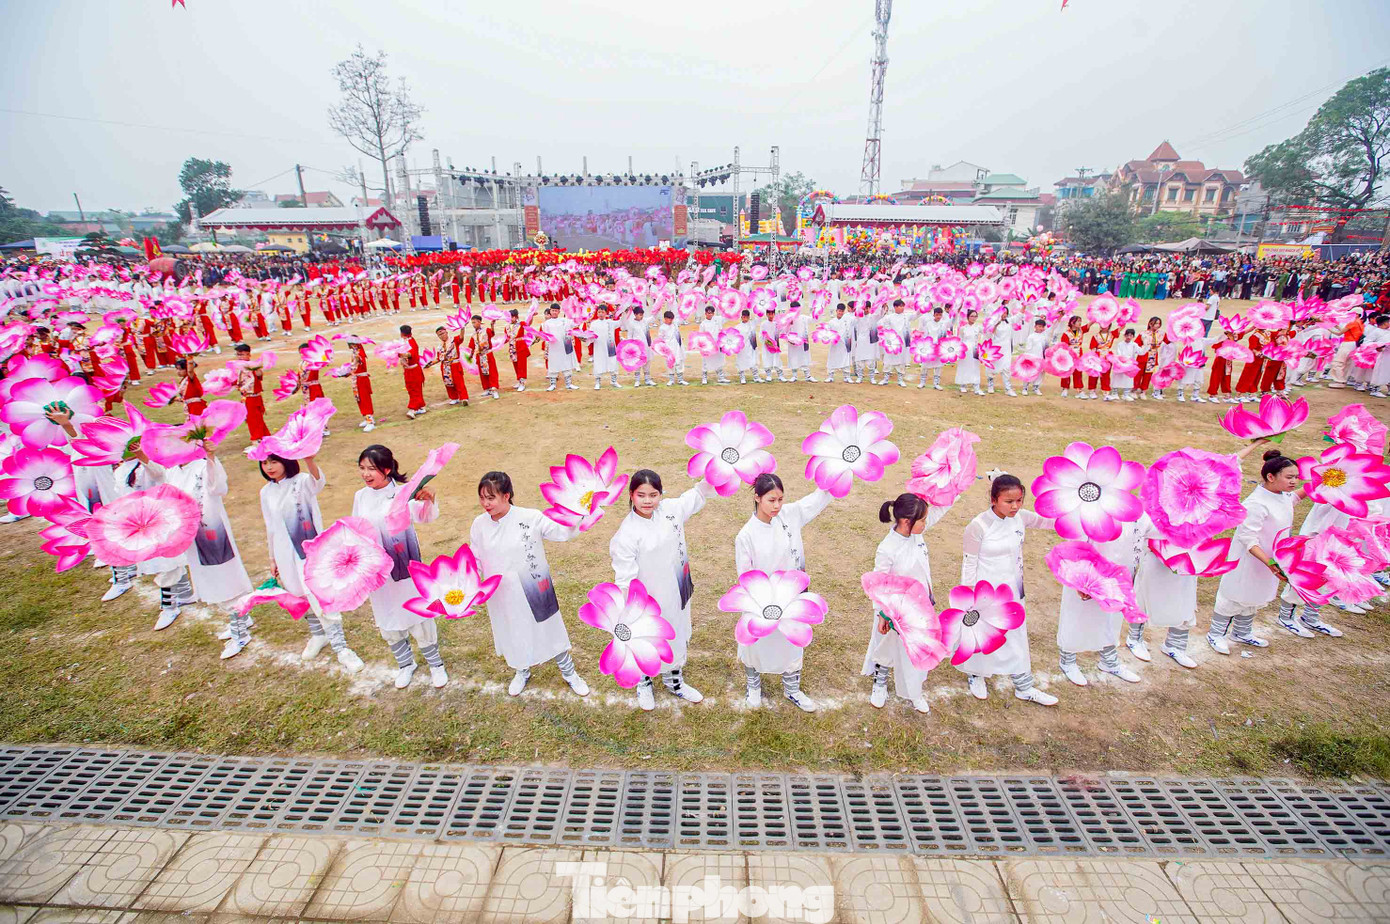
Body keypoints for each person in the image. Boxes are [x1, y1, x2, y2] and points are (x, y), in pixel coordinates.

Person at [469, 471, 590, 697]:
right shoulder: (479, 525)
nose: (486, 503)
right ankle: (521, 670)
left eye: (491, 498)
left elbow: (561, 532)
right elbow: (474, 557)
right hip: (501, 592)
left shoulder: (530, 517)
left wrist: (581, 513)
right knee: (512, 630)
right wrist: (471, 583)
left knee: (550, 628)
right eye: (482, 497)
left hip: (534, 587)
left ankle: (569, 672)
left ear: (507, 496)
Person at [609, 469, 719, 710]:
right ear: (631, 495)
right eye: (641, 495)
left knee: (676, 633)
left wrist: (719, 469)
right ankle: (644, 681)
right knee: (646, 640)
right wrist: (628, 610)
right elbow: (625, 577)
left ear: (661, 494)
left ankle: (675, 681)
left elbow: (699, 493)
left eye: (653, 494)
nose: (648, 501)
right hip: (648, 600)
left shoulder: (671, 510)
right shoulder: (627, 533)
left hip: (676, 591)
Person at [734, 473, 834, 712]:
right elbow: (745, 576)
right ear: (757, 498)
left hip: (792, 597)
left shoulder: (790, 515)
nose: (777, 505)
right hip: (762, 602)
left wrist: (837, 473)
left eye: (780, 499)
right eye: (771, 500)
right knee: (756, 644)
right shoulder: (746, 535)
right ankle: (754, 686)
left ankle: (792, 689)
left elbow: (818, 498)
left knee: (792, 642)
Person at [955, 474, 1058, 706]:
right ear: (993, 499)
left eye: (1019, 500)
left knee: (1016, 636)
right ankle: (977, 674)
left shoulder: (1021, 518)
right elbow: (969, 563)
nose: (1015, 506)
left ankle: (1024, 686)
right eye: (1008, 502)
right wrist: (969, 597)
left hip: (1013, 590)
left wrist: (1075, 515)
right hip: (986, 594)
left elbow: (1049, 522)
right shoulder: (978, 526)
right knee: (984, 635)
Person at [257, 452, 365, 671]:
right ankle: (318, 635)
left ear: (286, 461)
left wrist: (309, 460)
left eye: (274, 461)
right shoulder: (265, 492)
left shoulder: (302, 482)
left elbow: (318, 482)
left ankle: (341, 648)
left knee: (320, 597)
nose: (269, 467)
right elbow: (270, 527)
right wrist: (272, 557)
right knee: (299, 594)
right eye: (265, 463)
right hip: (283, 553)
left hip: (310, 552)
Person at [351, 445, 447, 689]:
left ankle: (436, 665)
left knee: (419, 614)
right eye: (362, 468)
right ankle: (406, 664)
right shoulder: (360, 496)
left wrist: (428, 499)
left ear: (386, 469)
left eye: (371, 469)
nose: (365, 474)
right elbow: (356, 529)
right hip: (378, 571)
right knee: (388, 617)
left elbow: (425, 517)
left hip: (406, 568)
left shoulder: (405, 493)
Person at [1208, 450, 1307, 653]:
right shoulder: (1256, 504)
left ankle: (1242, 632)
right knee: (1233, 596)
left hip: (1270, 559)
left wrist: (1325, 482)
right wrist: (1269, 562)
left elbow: (1293, 499)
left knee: (1256, 595)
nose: (1294, 482)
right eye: (1289, 477)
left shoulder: (1281, 495)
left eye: (1296, 477)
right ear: (1271, 477)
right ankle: (1216, 634)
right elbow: (1248, 538)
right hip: (1251, 559)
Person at [863, 492, 954, 713]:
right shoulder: (888, 548)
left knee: (918, 648)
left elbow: (939, 511)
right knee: (886, 647)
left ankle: (915, 690)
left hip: (920, 608)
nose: (926, 523)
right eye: (922, 520)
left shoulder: (917, 533)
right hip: (895, 612)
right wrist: (883, 615)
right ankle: (880, 682)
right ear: (906, 521)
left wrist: (954, 489)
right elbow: (879, 583)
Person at [165, 447, 254, 659]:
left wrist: (212, 458)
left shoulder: (203, 467)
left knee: (226, 579)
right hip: (192, 536)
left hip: (213, 532)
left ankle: (240, 633)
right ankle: (242, 619)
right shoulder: (172, 472)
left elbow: (219, 488)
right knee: (209, 580)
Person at [113, 451, 193, 630]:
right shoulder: (120, 470)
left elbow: (158, 474)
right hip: (139, 523)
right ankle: (185, 592)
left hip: (158, 519)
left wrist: (141, 455)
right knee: (157, 561)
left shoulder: (146, 466)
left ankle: (169, 607)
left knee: (165, 563)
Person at [541, 304, 578, 391]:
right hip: (553, 347)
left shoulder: (564, 321)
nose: (554, 312)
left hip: (564, 346)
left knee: (566, 363)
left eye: (556, 310)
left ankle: (569, 383)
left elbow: (575, 324)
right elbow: (545, 336)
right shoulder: (546, 323)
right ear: (550, 311)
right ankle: (553, 384)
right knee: (553, 364)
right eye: (552, 310)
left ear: (559, 311)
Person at [466, 315, 501, 399]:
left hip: (487, 354)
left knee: (492, 371)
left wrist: (492, 325)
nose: (473, 324)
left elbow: (492, 333)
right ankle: (487, 388)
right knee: (483, 373)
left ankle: (494, 389)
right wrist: (470, 355)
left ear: (479, 322)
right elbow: (472, 346)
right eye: (472, 323)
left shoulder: (486, 330)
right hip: (480, 355)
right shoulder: (474, 334)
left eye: (474, 322)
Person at [589, 305, 623, 389]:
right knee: (599, 363)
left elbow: (621, 322)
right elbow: (590, 336)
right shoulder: (593, 324)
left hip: (610, 347)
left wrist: (625, 311)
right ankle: (597, 382)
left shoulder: (610, 322)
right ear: (597, 313)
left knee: (612, 362)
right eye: (599, 312)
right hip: (599, 347)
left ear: (606, 313)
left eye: (602, 312)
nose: (601, 314)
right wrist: (585, 338)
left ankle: (614, 381)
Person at [434, 326, 469, 406]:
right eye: (439, 335)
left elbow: (461, 337)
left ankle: (464, 398)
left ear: (446, 332)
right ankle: (454, 398)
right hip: (445, 366)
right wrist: (429, 364)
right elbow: (439, 358)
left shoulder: (453, 340)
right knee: (448, 382)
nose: (442, 336)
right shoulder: (440, 347)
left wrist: (462, 328)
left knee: (459, 382)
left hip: (454, 364)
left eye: (442, 333)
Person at [399, 325, 428, 419]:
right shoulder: (407, 341)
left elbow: (410, 354)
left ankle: (413, 409)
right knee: (412, 389)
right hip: (409, 370)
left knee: (414, 389)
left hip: (414, 370)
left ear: (402, 333)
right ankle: (421, 406)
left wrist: (398, 353)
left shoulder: (411, 342)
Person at [347, 336, 375, 432]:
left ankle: (370, 421)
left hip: (361, 379)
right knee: (360, 399)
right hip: (356, 379)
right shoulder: (355, 353)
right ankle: (366, 418)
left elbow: (360, 362)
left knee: (364, 399)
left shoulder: (359, 353)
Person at [955, 309, 984, 396]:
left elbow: (987, 333)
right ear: (968, 317)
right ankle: (963, 385)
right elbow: (959, 339)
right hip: (965, 349)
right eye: (972, 316)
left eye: (975, 316)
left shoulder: (978, 327)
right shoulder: (963, 328)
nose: (974, 318)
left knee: (975, 367)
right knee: (964, 366)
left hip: (975, 349)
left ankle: (976, 387)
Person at [697, 304, 728, 385]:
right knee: (705, 361)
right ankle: (704, 377)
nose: (709, 314)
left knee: (719, 359)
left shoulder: (718, 319)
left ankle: (721, 377)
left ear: (713, 313)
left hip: (718, 344)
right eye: (708, 313)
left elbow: (727, 317)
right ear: (705, 313)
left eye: (711, 313)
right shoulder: (703, 324)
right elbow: (701, 335)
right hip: (708, 345)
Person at [657, 309, 689, 386]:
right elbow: (660, 339)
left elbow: (681, 317)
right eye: (669, 319)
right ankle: (671, 380)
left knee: (679, 362)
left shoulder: (674, 324)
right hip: (669, 348)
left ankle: (680, 380)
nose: (670, 321)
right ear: (665, 319)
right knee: (670, 363)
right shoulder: (662, 328)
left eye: (672, 319)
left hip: (677, 346)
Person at [505, 309, 531, 392]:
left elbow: (529, 324)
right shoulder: (507, 326)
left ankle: (522, 382)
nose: (510, 319)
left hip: (520, 346)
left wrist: (532, 316)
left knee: (521, 365)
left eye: (512, 317)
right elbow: (507, 337)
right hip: (512, 347)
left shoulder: (521, 324)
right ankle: (519, 381)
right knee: (515, 364)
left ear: (516, 317)